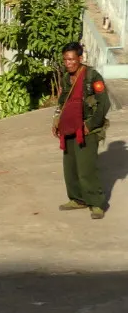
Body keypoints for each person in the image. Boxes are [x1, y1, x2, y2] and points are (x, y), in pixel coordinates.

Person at [53, 42, 111, 219]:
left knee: (86, 169)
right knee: (70, 167)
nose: (68, 63)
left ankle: (97, 203)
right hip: (69, 127)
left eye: (71, 59)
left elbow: (104, 104)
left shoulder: (92, 77)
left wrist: (90, 125)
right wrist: (56, 121)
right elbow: (62, 102)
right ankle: (78, 199)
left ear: (80, 58)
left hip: (87, 129)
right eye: (65, 60)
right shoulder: (65, 78)